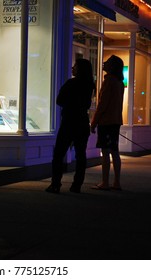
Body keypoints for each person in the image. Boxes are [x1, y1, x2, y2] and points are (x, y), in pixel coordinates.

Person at [46, 59, 95, 194]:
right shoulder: (90, 85)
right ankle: (76, 185)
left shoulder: (71, 83)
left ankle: (55, 184)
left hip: (69, 121)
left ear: (80, 69)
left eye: (75, 66)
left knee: (59, 154)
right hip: (82, 121)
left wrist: (69, 103)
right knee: (81, 155)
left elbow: (59, 100)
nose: (72, 68)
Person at [90, 55, 125, 191]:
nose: (104, 64)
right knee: (114, 152)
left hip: (106, 122)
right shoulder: (119, 82)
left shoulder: (109, 81)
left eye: (108, 62)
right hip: (116, 121)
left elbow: (102, 105)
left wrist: (94, 122)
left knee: (105, 152)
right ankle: (117, 182)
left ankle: (105, 182)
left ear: (112, 66)